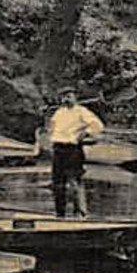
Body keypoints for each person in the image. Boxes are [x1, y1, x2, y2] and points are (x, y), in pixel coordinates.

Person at [45, 86, 104, 218]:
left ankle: (80, 213)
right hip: (58, 149)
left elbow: (98, 125)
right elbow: (52, 128)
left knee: (74, 182)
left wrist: (85, 133)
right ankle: (60, 214)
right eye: (64, 96)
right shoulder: (59, 112)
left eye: (69, 96)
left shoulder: (81, 111)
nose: (66, 99)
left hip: (72, 150)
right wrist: (50, 140)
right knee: (58, 184)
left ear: (75, 97)